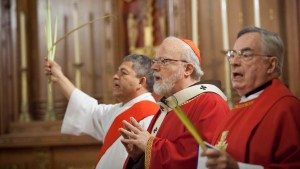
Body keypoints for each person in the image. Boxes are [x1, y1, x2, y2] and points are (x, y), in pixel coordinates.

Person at [119, 37, 230, 169]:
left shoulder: (210, 103)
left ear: (188, 69)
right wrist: (140, 156)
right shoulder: (169, 105)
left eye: (164, 61)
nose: (154, 67)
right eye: (155, 61)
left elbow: (199, 158)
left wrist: (150, 145)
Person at [201, 26, 300, 169]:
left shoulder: (286, 108)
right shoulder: (239, 107)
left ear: (271, 65)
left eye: (246, 55)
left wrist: (238, 168)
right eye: (232, 54)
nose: (234, 62)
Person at [44, 54, 159, 169]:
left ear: (141, 81)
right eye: (117, 72)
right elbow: (89, 110)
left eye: (123, 73)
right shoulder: (118, 109)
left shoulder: (151, 114)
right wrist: (59, 77)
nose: (115, 76)